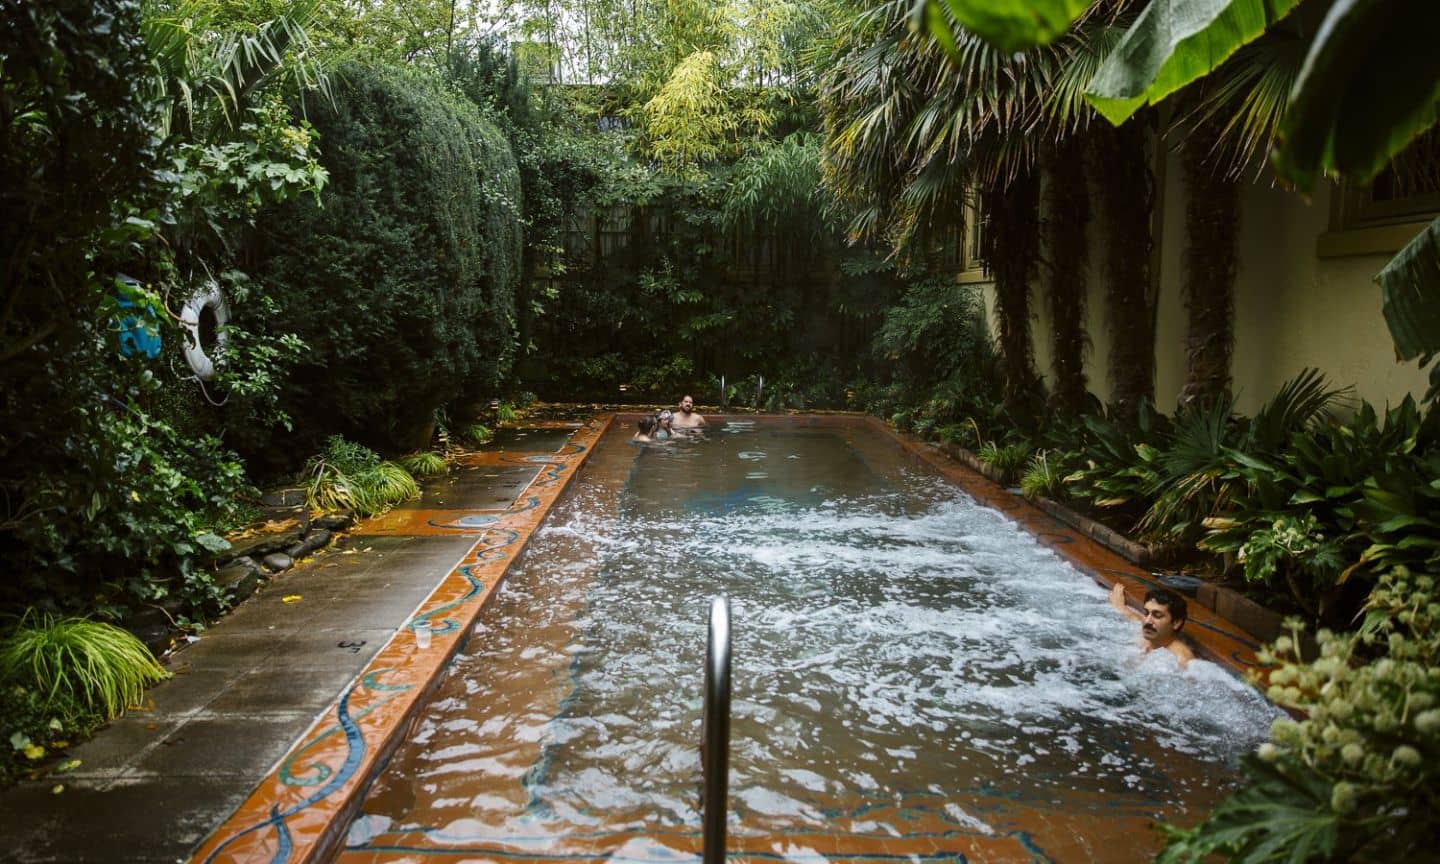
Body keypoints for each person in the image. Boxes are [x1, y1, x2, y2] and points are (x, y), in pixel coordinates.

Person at [1109, 582, 1195, 668]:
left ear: (1176, 623)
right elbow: (1135, 617)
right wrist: (1121, 607)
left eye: (1157, 615)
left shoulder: (1182, 661)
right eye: (1146, 613)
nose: (1147, 621)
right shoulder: (1150, 634)